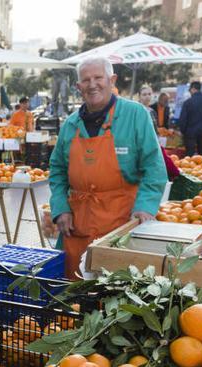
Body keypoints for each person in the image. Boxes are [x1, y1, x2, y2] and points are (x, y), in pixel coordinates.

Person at [49, 57, 167, 279]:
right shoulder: (70, 124)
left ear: (112, 80)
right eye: (86, 80)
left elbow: (154, 167)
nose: (92, 84)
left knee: (114, 293)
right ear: (78, 87)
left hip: (121, 224)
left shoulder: (136, 115)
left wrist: (145, 207)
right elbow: (56, 170)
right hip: (77, 225)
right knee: (73, 293)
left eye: (98, 78)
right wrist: (60, 207)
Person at [178, 81, 202, 157]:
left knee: (189, 155)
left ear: (193, 89)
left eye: (189, 90)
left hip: (190, 132)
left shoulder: (187, 102)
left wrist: (183, 131)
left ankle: (190, 168)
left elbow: (183, 119)